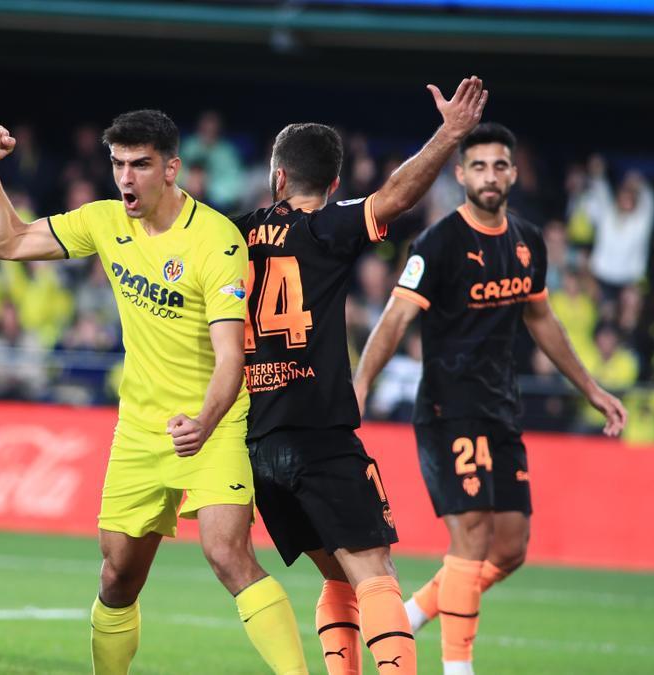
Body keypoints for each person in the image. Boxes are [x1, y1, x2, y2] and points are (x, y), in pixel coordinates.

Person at [0, 110, 308, 675]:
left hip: (212, 421)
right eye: (118, 164)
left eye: (141, 165)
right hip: (139, 428)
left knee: (228, 554)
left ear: (172, 168)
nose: (126, 178)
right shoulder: (104, 221)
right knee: (117, 576)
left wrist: (203, 421)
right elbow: (8, 241)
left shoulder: (216, 240)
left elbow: (232, 356)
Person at [353, 122, 628, 675]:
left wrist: (592, 388)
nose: (489, 175)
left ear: (513, 173)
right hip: (447, 408)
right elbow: (395, 317)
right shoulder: (438, 243)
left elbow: (542, 319)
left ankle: (416, 611)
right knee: (472, 534)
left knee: (510, 548)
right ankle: (459, 668)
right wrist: (361, 385)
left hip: (500, 408)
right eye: (478, 166)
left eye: (499, 165)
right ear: (460, 176)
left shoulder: (527, 242)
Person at [236, 77, 488, 675]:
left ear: (277, 178)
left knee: (336, 575)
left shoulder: (233, 232)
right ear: (332, 185)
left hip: (257, 441)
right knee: (375, 574)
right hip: (320, 434)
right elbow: (397, 195)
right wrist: (451, 133)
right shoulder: (329, 226)